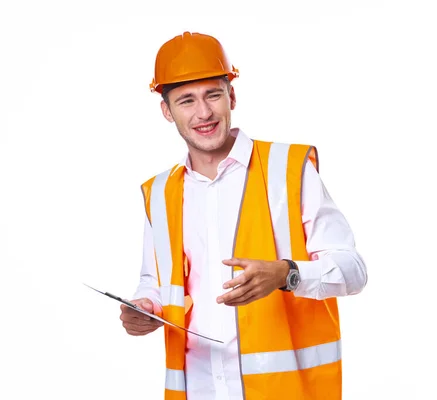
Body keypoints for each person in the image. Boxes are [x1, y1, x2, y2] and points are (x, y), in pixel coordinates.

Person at [119, 31, 368, 400]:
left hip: (282, 391)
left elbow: (354, 270)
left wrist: (287, 274)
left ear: (231, 96)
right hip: (198, 388)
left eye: (213, 95)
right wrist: (144, 308)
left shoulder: (289, 170)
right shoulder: (159, 193)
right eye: (186, 100)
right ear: (167, 110)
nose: (203, 113)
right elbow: (154, 282)